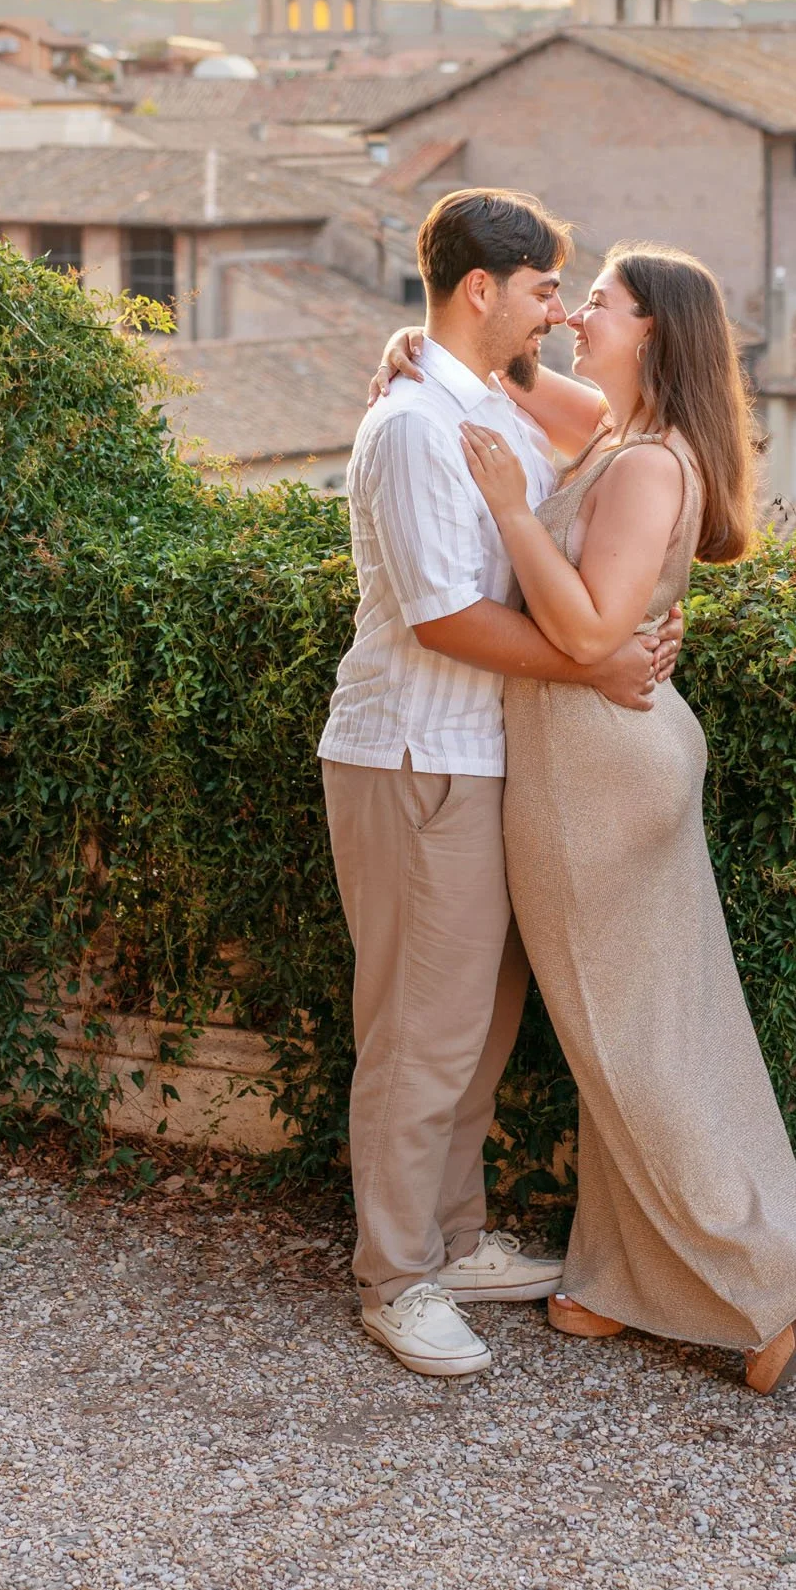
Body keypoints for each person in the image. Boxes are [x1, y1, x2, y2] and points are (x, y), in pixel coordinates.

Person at [382, 241, 796, 1395]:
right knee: (619, 1038)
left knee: (631, 1042)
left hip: (594, 769)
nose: (578, 313)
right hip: (591, 757)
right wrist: (424, 346)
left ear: (652, 330)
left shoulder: (647, 464)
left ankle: (763, 1287)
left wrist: (507, 506)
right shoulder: (616, 425)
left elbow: (594, 632)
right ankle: (608, 1282)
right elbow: (502, 378)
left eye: (599, 302)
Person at [318, 189, 680, 1381]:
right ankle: (394, 1278)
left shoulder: (487, 410)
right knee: (419, 1035)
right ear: (483, 289)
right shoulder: (419, 428)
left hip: (487, 764)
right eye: (541, 290)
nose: (558, 309)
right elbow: (444, 618)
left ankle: (453, 1239)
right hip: (417, 757)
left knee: (477, 1025)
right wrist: (597, 661)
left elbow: (609, 438)